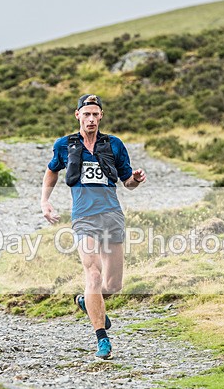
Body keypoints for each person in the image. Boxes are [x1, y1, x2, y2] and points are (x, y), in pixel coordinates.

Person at [41, 94, 146, 359]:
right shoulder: (64, 145)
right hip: (83, 218)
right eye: (86, 114)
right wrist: (45, 201)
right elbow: (52, 170)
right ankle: (102, 340)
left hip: (111, 215)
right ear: (78, 115)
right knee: (94, 275)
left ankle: (85, 302)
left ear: (101, 116)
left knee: (113, 285)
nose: (91, 119)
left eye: (95, 114)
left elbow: (127, 183)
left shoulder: (114, 145)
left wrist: (135, 179)